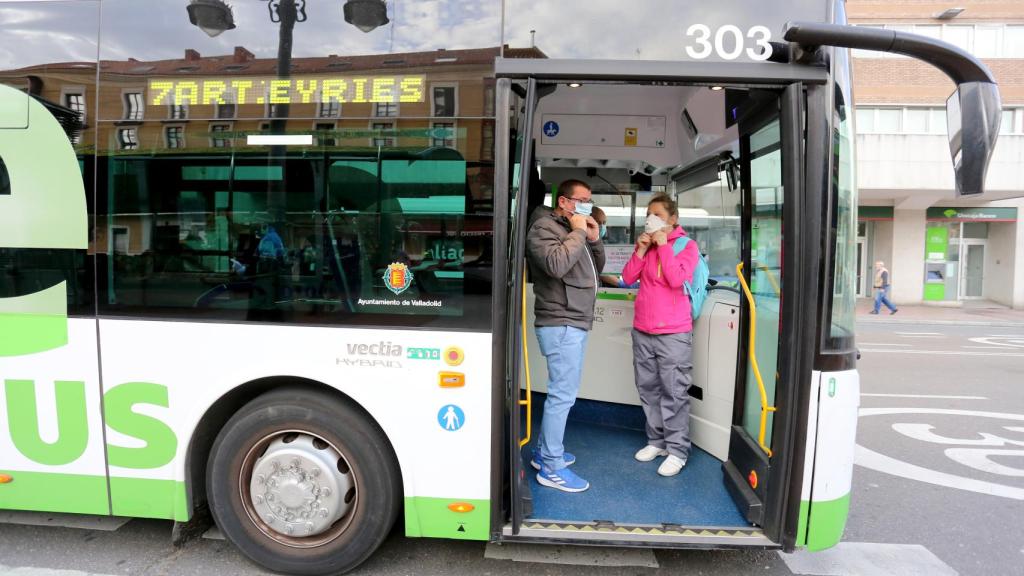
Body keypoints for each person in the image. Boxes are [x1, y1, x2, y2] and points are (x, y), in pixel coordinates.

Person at [525, 179, 605, 493]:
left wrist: (593, 239)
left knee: (562, 393)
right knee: (562, 395)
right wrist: (578, 232)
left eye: (590, 199)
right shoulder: (544, 228)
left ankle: (545, 452)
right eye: (581, 200)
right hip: (561, 322)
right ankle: (551, 466)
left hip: (574, 321)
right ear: (563, 202)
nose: (586, 205)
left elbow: (594, 269)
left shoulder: (575, 229)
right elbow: (557, 265)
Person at [620, 193, 699, 477]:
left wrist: (664, 246)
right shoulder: (648, 245)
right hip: (643, 329)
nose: (652, 220)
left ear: (673, 219)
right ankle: (657, 441)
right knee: (648, 388)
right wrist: (640, 250)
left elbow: (677, 279)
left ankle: (677, 450)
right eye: (649, 215)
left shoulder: (686, 246)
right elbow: (627, 278)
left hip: (673, 332)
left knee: (674, 391)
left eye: (658, 216)